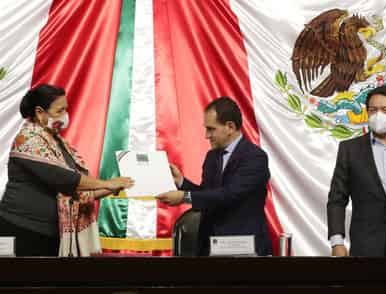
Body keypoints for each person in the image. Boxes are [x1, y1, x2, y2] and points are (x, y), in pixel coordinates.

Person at [0, 84, 134, 256]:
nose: (65, 116)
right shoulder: (27, 140)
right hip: (22, 230)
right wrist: (108, 183)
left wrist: (114, 187)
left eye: (66, 109)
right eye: (59, 111)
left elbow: (80, 193)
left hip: (51, 234)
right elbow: (65, 179)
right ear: (40, 112)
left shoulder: (59, 143)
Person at [157, 97, 272, 256]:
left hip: (243, 250)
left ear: (230, 126)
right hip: (209, 248)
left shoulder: (255, 157)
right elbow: (207, 196)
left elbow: (229, 194)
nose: (206, 135)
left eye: (211, 129)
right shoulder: (212, 157)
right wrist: (182, 182)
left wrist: (184, 196)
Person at [327, 85, 386, 256]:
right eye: (373, 110)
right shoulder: (349, 149)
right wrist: (337, 242)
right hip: (365, 247)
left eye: (385, 110)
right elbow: (337, 199)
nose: (378, 115)